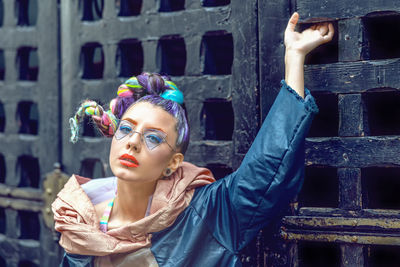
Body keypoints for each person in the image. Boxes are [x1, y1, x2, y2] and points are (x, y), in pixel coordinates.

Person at [52, 12, 334, 267]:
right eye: (126, 129)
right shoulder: (80, 220)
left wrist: (294, 57)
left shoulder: (203, 215)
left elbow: (266, 171)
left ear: (173, 163)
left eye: (153, 137)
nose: (133, 142)